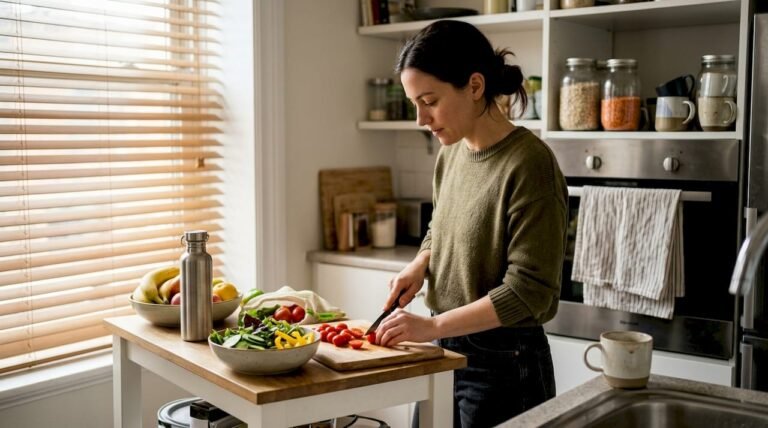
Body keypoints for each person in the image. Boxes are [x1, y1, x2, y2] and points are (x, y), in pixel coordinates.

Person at [372, 20, 568, 428]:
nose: (421, 118)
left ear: (475, 86)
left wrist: (432, 325)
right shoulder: (452, 154)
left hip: (504, 364)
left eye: (429, 100)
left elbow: (530, 292)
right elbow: (440, 229)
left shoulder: (530, 164)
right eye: (414, 103)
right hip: (442, 350)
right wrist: (421, 263)